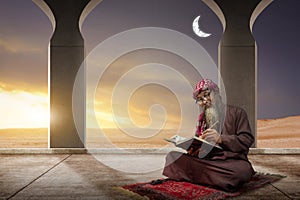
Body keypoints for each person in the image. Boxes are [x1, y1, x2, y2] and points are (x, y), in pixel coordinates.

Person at [162, 79, 255, 192]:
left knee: (240, 172)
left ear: (216, 93)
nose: (205, 100)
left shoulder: (237, 113)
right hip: (207, 161)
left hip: (231, 162)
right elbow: (198, 143)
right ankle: (214, 179)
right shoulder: (202, 119)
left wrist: (221, 139)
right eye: (200, 99)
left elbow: (247, 140)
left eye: (207, 95)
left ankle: (198, 177)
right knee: (172, 157)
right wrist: (194, 150)